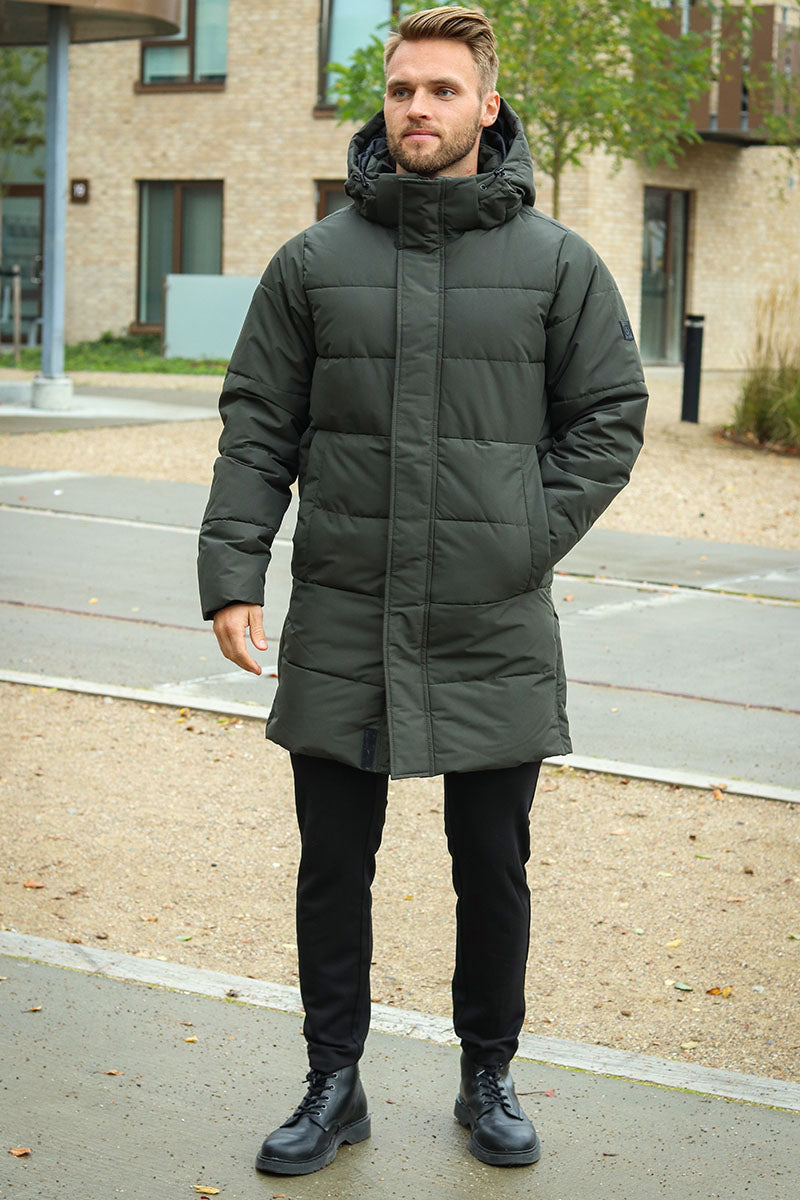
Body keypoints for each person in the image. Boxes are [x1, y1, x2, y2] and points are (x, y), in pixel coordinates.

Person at [198, 5, 647, 1177]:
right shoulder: (312, 262)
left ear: (484, 107)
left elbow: (607, 417)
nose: (417, 108)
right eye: (401, 89)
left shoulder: (556, 263)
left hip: (491, 618)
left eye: (442, 90)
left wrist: (520, 533)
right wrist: (232, 572)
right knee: (331, 865)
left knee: (490, 865)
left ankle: (486, 1074)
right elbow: (257, 426)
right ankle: (331, 1082)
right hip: (343, 611)